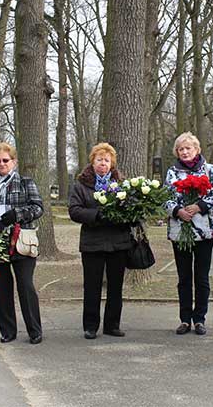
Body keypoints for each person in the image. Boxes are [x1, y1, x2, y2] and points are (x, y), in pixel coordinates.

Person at [0, 142, 44, 345]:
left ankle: (34, 330)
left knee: (26, 285)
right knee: (1, 288)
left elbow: (38, 207)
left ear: (14, 161)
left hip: (21, 241)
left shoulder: (25, 183)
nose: (2, 164)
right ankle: (7, 330)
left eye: (6, 160)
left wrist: (17, 214)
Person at [163, 132, 213, 336]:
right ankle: (184, 319)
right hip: (180, 230)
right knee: (184, 278)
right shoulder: (172, 172)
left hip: (204, 231)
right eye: (181, 149)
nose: (184, 152)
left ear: (197, 149)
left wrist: (199, 206)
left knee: (201, 277)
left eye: (188, 148)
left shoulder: (209, 170)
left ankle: (199, 319)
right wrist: (177, 211)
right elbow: (165, 197)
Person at [68, 143, 132, 339]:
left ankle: (112, 325)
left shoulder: (122, 184)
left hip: (118, 242)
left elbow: (132, 208)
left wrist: (121, 214)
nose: (103, 163)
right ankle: (90, 326)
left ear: (112, 163)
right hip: (92, 242)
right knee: (92, 286)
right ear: (92, 162)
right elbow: (74, 210)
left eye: (106, 160)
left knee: (115, 286)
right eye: (99, 160)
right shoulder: (81, 185)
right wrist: (96, 215)